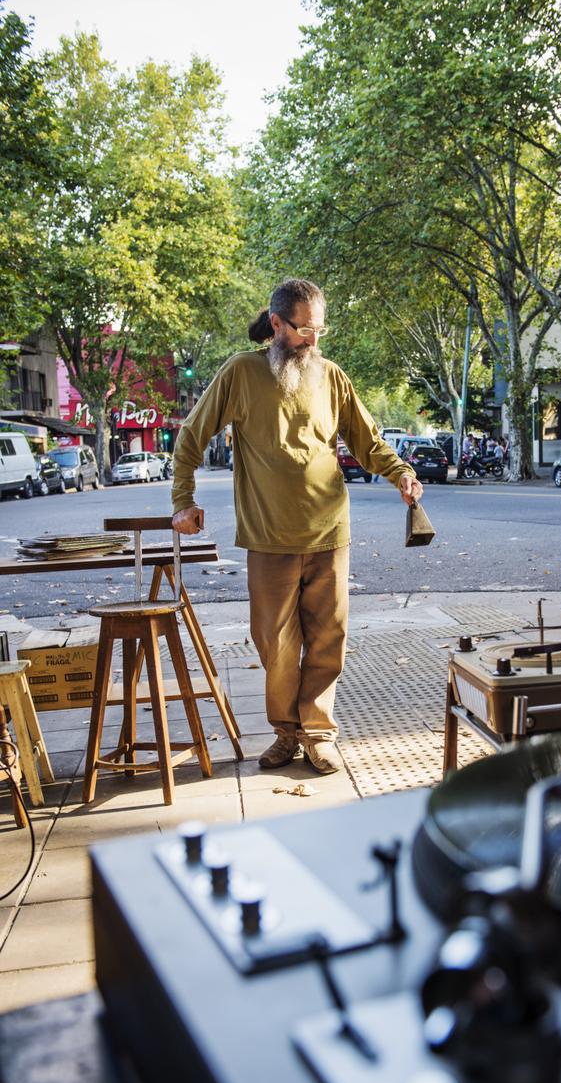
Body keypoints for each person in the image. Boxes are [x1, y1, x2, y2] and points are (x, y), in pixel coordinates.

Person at [171, 278, 423, 775]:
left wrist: (401, 473)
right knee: (276, 645)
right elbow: (192, 436)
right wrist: (183, 501)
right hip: (269, 537)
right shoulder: (241, 372)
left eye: (319, 329)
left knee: (328, 639)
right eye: (303, 329)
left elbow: (368, 441)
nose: (312, 338)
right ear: (276, 323)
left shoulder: (332, 376)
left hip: (329, 530)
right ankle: (287, 733)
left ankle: (318, 734)